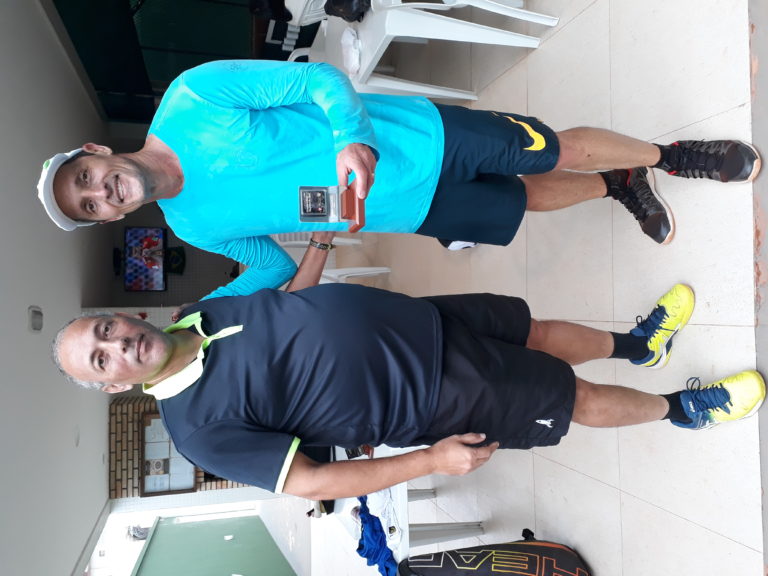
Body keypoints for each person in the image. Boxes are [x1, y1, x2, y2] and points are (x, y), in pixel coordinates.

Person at [37, 60, 761, 298]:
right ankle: (621, 184)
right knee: (526, 202)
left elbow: (318, 80)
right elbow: (272, 268)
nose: (101, 192)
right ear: (108, 220)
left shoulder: (193, 97)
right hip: (406, 211)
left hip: (419, 138)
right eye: (91, 206)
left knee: (554, 151)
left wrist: (350, 136)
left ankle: (670, 155)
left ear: (96, 150)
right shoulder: (192, 226)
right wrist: (206, 316)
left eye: (87, 177)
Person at [52, 282, 765, 500]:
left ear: (122, 317)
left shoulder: (196, 313)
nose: (118, 345)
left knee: (537, 329)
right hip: (431, 393)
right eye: (102, 359)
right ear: (113, 387)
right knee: (566, 396)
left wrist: (320, 248)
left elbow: (286, 311)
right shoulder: (195, 430)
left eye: (105, 330)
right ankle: (685, 410)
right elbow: (312, 482)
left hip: (423, 318)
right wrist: (429, 460)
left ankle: (640, 345)